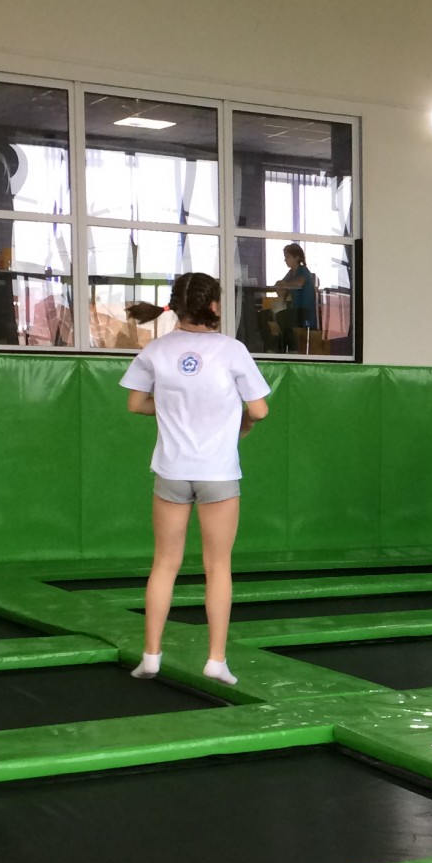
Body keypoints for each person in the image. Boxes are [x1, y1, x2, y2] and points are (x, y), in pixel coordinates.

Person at [120, 273, 272, 687]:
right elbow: (259, 410)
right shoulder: (231, 350)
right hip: (217, 473)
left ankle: (151, 655)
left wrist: (174, 404)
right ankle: (215, 660)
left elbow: (136, 403)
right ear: (215, 306)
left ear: (177, 306)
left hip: (172, 470)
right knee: (217, 566)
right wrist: (236, 418)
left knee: (164, 563)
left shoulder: (157, 349)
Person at [271, 243, 319, 353]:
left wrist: (284, 284)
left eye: (287, 257)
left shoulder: (303, 270)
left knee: (282, 317)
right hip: (295, 310)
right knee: (272, 316)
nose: (285, 260)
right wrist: (280, 285)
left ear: (296, 257)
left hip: (305, 312)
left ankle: (292, 348)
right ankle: (283, 347)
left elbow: (299, 283)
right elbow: (282, 286)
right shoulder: (290, 273)